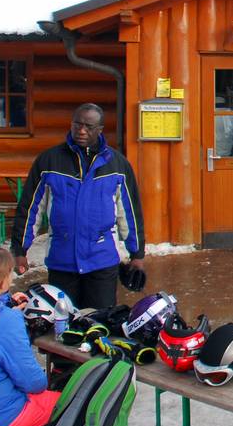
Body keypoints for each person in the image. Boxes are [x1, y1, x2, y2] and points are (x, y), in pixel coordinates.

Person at [12, 103, 145, 309]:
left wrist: (136, 254)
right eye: (77, 125)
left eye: (88, 127)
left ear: (100, 130)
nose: (81, 131)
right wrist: (20, 249)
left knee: (100, 320)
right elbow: (30, 208)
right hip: (62, 260)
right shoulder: (49, 161)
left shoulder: (118, 164)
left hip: (102, 261)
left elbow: (130, 213)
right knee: (62, 321)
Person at [0, 246, 60, 426]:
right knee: (69, 404)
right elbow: (33, 383)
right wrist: (10, 319)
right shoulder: (6, 322)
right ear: (2, 281)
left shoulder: (0, 316)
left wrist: (3, 305)